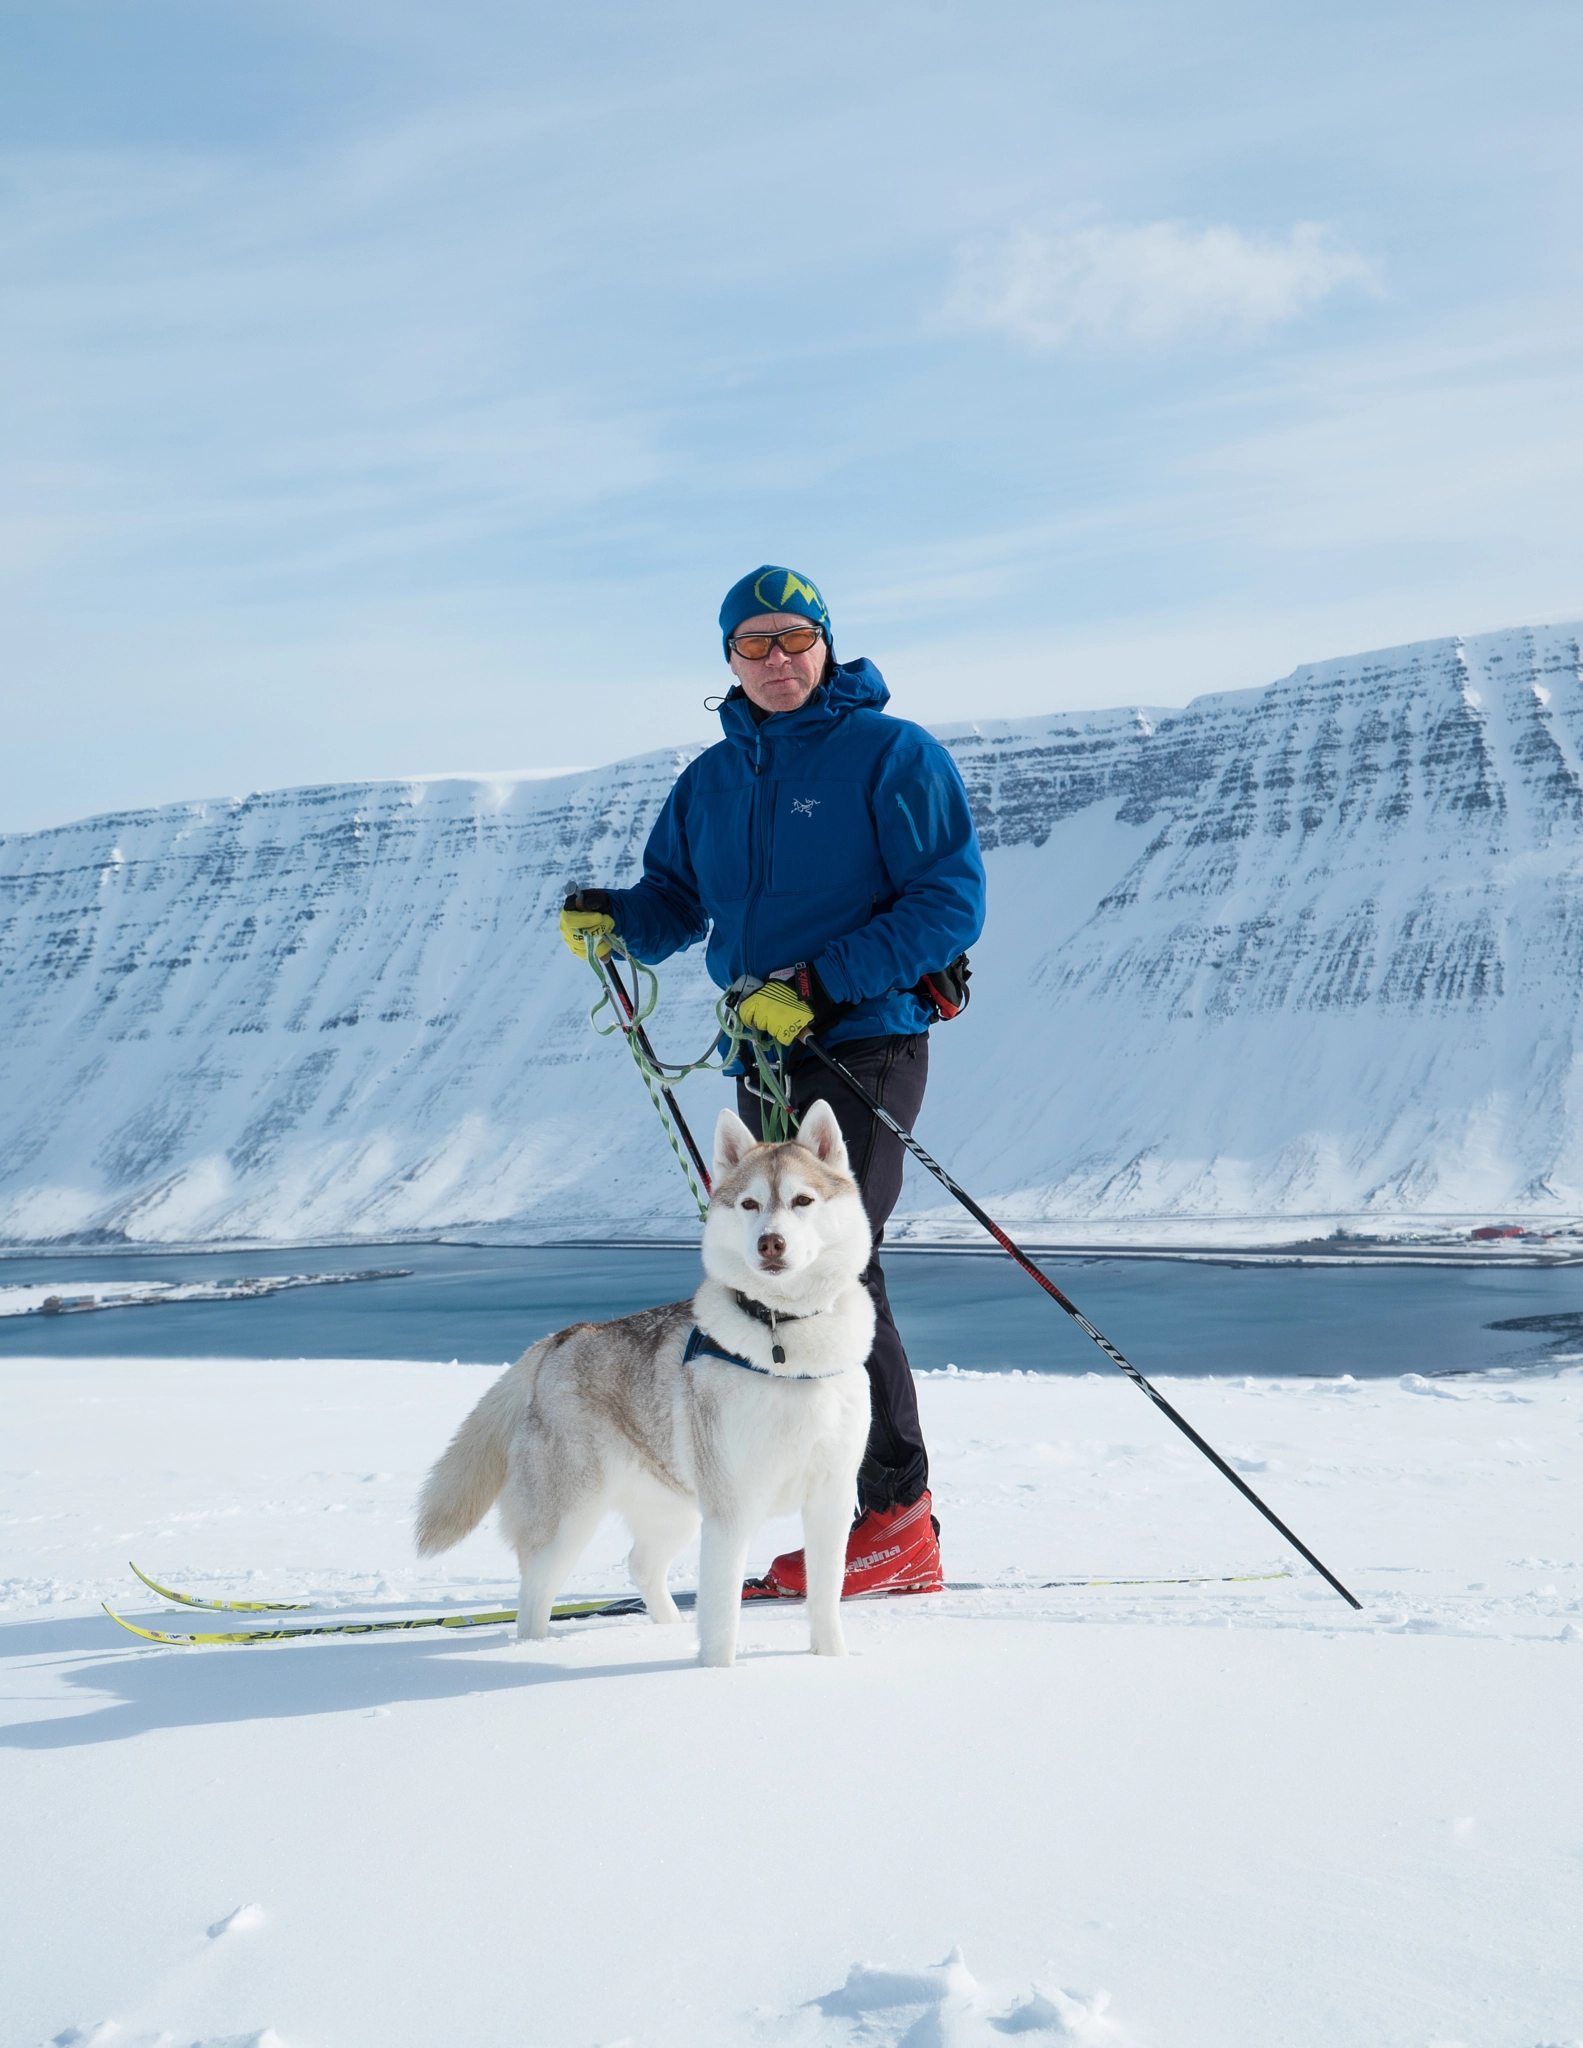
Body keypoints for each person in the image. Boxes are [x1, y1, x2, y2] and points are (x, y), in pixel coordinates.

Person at [560, 565, 986, 1597]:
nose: (777, 659)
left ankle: (895, 1519)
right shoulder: (710, 779)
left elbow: (948, 903)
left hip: (864, 1039)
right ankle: (806, 1504)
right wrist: (618, 920)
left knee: (837, 1262)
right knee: (768, 1269)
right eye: (753, 645)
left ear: (825, 644)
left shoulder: (891, 754)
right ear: (728, 661)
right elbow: (675, 897)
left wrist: (817, 979)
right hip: (761, 1048)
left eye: (794, 638)